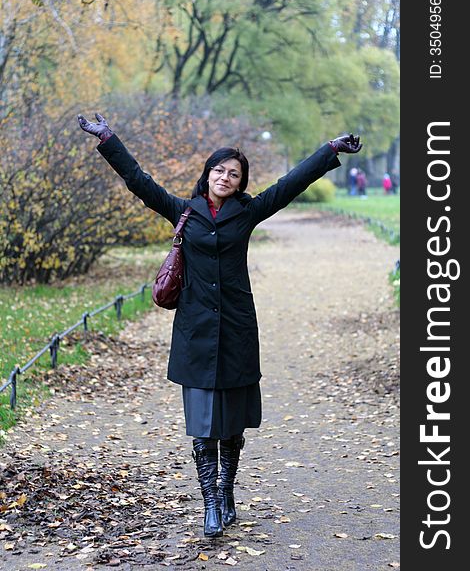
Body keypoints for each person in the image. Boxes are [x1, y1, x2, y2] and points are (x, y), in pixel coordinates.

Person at [77, 113, 362, 538]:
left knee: (231, 423)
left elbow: (289, 184)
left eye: (234, 173)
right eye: (220, 170)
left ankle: (226, 489)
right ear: (207, 174)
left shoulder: (247, 213)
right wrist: (109, 139)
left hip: (236, 330)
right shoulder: (182, 211)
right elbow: (138, 180)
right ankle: (210, 501)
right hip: (195, 332)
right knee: (202, 424)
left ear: (240, 182)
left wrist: (330, 150)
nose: (225, 177)